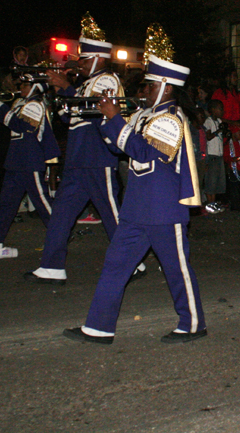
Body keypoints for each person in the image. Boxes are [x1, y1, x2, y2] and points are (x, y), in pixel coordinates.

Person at [63, 32, 206, 345]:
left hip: (165, 210)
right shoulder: (145, 115)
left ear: (167, 87)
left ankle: (193, 323)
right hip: (137, 210)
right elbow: (121, 149)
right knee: (114, 266)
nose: (146, 90)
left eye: (152, 85)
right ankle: (98, 327)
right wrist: (106, 120)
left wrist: (116, 120)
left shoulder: (171, 118)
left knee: (177, 271)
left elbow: (144, 152)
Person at [24, 14, 126, 285]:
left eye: (84, 59)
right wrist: (63, 93)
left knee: (113, 215)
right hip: (78, 159)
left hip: (97, 158)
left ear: (99, 59)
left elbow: (94, 109)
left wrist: (66, 87)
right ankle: (52, 267)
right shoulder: (85, 84)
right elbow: (70, 118)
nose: (79, 64)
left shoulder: (108, 80)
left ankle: (131, 262)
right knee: (61, 214)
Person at [0, 79, 60, 259]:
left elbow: (23, 126)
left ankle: (60, 233)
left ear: (35, 88)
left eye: (25, 85)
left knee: (43, 202)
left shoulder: (36, 104)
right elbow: (6, 121)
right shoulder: (20, 103)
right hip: (16, 159)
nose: (20, 88)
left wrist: (1, 107)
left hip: (30, 159)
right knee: (7, 202)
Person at [203, 99, 226, 214]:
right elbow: (208, 136)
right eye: (220, 109)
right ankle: (209, 204)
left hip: (219, 154)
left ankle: (213, 204)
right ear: (213, 110)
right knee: (210, 180)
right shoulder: (208, 121)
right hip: (212, 155)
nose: (222, 111)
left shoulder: (219, 121)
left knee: (217, 181)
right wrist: (218, 131)